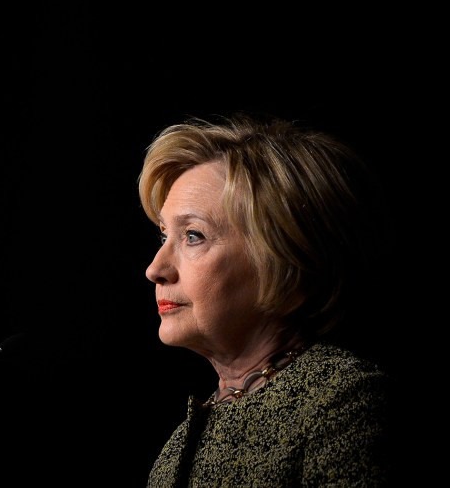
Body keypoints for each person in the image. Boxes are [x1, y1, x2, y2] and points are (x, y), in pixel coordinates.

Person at [138, 112, 393, 487]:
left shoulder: (342, 404)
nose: (155, 269)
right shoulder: (180, 444)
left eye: (193, 235)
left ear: (286, 257)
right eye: (164, 237)